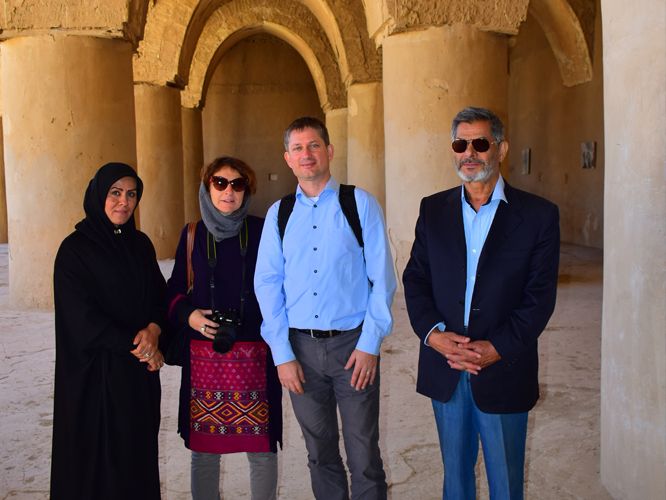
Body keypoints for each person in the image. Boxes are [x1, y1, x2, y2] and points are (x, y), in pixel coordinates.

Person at [402, 106, 560, 500]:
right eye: (460, 143)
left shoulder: (538, 216)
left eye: (480, 143)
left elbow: (538, 299)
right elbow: (416, 279)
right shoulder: (432, 209)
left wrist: (497, 348)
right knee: (455, 478)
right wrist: (433, 335)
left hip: (504, 368)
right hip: (446, 366)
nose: (469, 152)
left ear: (501, 148)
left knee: (506, 483)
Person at [254, 116, 397, 500]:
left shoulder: (359, 203)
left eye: (314, 145)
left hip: (353, 348)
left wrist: (370, 344)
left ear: (329, 151)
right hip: (300, 352)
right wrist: (281, 354)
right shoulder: (279, 215)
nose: (307, 154)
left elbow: (382, 280)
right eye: (298, 148)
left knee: (364, 453)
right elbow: (267, 285)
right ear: (287, 158)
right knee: (319, 454)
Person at [166, 156, 282, 500]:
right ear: (207, 187)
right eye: (219, 182)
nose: (228, 191)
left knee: (261, 447)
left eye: (237, 184)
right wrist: (190, 317)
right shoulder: (192, 234)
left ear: (247, 191)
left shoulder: (263, 231)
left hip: (256, 354)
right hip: (205, 353)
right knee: (204, 450)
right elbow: (172, 291)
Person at [51, 162, 166, 499]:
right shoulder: (74, 251)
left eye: (131, 194)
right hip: (93, 379)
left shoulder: (140, 245)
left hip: (136, 379)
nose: (123, 202)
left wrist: (155, 331)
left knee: (136, 457)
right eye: (115, 193)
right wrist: (141, 345)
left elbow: (159, 298)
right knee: (94, 464)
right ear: (98, 195)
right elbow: (81, 318)